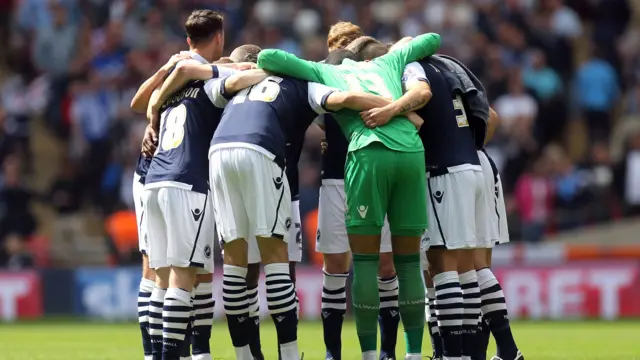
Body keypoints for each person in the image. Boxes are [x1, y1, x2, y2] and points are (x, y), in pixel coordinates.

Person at [257, 33, 441, 359]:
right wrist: (399, 49)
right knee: (409, 264)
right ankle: (413, 355)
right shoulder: (389, 61)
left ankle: (369, 355)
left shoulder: (329, 72)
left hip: (368, 153)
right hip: (413, 152)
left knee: (366, 265)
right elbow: (432, 39)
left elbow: (268, 57)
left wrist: (309, 65)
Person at [206, 48, 396, 359]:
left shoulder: (239, 81)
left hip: (219, 151)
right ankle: (290, 354)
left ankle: (243, 356)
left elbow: (216, 81)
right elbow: (343, 100)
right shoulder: (304, 82)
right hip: (261, 148)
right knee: (276, 256)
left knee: (235, 262)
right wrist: (391, 105)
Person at [140, 10, 227, 360]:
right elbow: (201, 70)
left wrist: (153, 108)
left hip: (154, 182)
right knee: (183, 276)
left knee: (161, 278)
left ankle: (158, 356)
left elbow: (141, 100)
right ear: (219, 37)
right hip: (186, 181)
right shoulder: (209, 80)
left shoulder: (172, 91)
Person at [318, 25, 400, 360]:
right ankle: (335, 353)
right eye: (339, 46)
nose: (344, 51)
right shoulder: (324, 73)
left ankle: (385, 352)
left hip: (368, 172)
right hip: (338, 174)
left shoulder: (378, 71)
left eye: (350, 44)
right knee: (339, 265)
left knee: (382, 264)